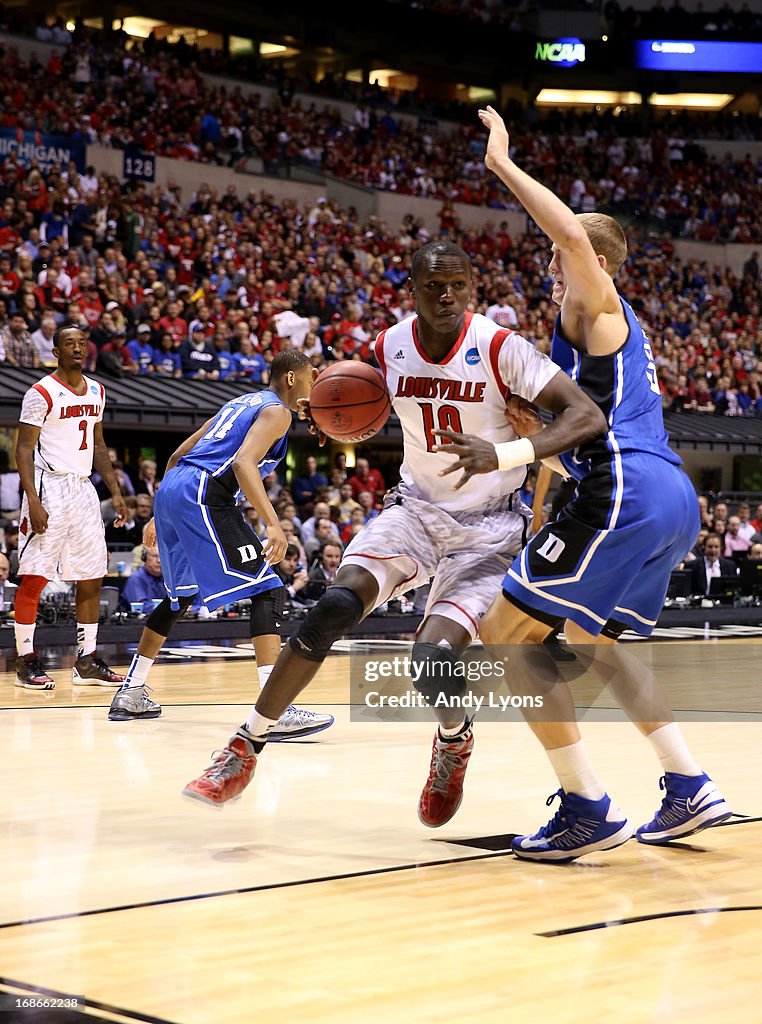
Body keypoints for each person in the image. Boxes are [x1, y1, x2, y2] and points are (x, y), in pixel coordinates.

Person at [181, 239, 605, 807]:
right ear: (413, 291)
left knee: (430, 658)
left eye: (458, 284)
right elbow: (344, 398)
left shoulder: (501, 347)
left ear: (472, 287)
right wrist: (333, 417)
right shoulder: (388, 346)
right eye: (434, 285)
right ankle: (244, 745)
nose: (447, 295)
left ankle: (454, 740)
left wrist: (514, 448)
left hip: (491, 530)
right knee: (332, 605)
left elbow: (587, 415)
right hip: (416, 508)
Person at [434, 106, 730, 863]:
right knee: (589, 639)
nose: (550, 260)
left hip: (629, 487)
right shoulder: (614, 333)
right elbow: (572, 449)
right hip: (665, 495)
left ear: (585, 259)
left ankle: (584, 805)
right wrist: (535, 482)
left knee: (504, 638)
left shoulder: (588, 299)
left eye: (559, 252)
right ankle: (688, 783)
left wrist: (501, 164)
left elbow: (570, 235)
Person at [107, 350, 334, 742]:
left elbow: (179, 455)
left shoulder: (239, 403)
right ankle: (274, 708)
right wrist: (274, 525)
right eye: (311, 380)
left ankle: (131, 692)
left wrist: (160, 514)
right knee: (270, 589)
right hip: (205, 493)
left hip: (176, 488)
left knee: (180, 597)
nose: (312, 390)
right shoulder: (277, 412)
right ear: (294, 379)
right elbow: (245, 464)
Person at [13, 324, 128, 689]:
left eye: (82, 343)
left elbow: (98, 443)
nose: (77, 349)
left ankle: (87, 660)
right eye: (69, 344)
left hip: (82, 489)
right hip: (49, 487)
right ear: (56, 351)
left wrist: (116, 490)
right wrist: (33, 499)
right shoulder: (40, 392)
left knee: (92, 574)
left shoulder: (97, 389)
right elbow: (23, 449)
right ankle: (25, 660)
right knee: (35, 574)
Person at [121, 546, 166, 612]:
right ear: (144, 558)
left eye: (162, 557)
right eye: (154, 556)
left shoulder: (168, 579)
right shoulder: (136, 579)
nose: (159, 561)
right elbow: (141, 607)